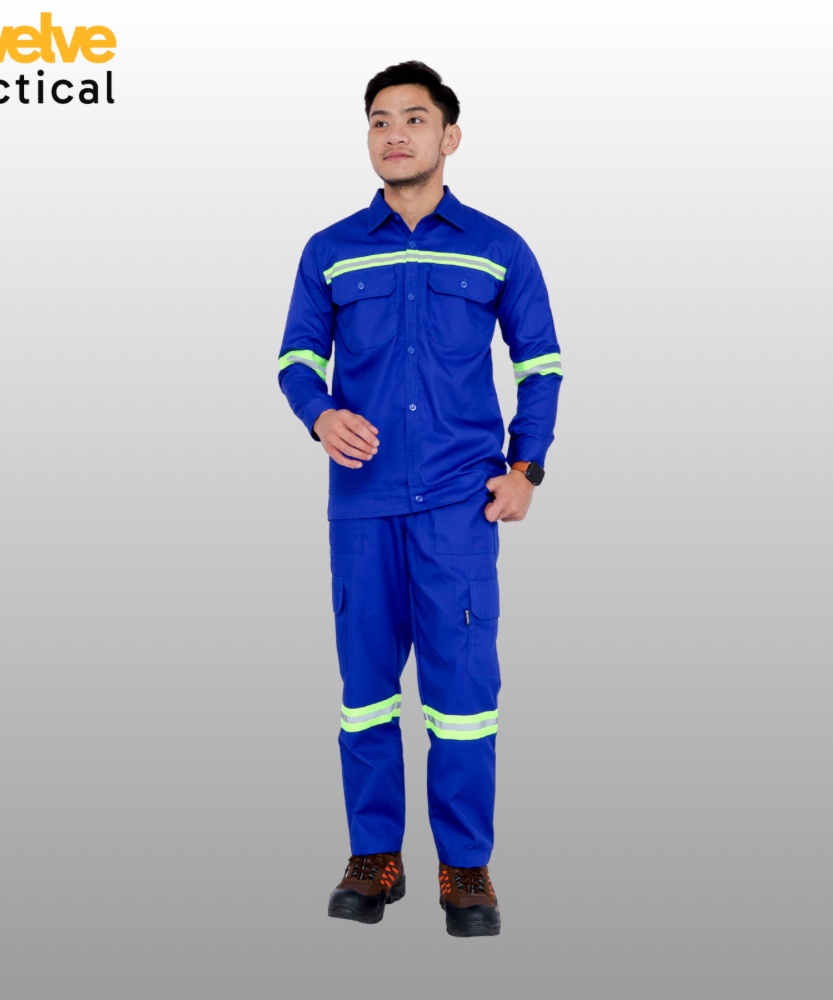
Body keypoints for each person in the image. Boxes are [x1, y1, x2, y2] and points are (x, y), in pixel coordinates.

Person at [277, 61, 562, 937]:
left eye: (413, 118)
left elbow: (541, 363)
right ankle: (376, 856)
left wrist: (526, 468)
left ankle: (465, 866)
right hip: (362, 509)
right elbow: (296, 358)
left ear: (450, 135)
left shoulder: (497, 246)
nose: (393, 134)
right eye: (378, 120)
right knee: (365, 692)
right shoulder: (330, 249)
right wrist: (320, 413)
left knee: (463, 695)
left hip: (458, 509)